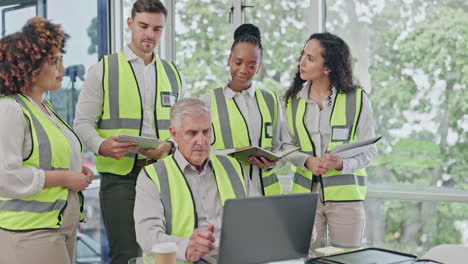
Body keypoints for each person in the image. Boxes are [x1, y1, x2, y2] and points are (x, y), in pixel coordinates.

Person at [73, 0, 183, 263]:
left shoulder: (172, 73)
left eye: (157, 29)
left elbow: (179, 128)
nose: (150, 34)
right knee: (126, 254)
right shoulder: (103, 69)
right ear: (130, 23)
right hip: (121, 177)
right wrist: (101, 146)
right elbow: (82, 123)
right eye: (143, 26)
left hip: (162, 175)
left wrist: (168, 146)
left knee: (164, 252)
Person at [0, 17, 94, 264]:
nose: (61, 68)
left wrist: (77, 172)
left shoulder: (46, 107)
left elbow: (49, 158)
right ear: (29, 67)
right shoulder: (10, 109)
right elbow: (5, 176)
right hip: (31, 232)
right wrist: (65, 178)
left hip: (60, 225)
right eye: (54, 62)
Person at [282, 33, 377, 251]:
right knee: (304, 257)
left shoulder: (358, 99)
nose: (301, 62)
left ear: (328, 68)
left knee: (346, 258)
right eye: (303, 55)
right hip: (304, 199)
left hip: (346, 199)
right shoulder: (292, 101)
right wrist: (307, 161)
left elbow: (370, 151)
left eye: (310, 58)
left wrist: (340, 164)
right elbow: (286, 146)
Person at [134, 98, 259, 263]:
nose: (201, 141)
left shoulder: (233, 166)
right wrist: (185, 247)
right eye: (192, 133)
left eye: (206, 132)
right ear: (174, 134)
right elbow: (147, 236)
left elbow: (259, 216)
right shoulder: (152, 176)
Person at [200, 24, 283, 196]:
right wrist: (231, 153)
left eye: (252, 65)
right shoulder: (207, 102)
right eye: (238, 62)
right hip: (226, 195)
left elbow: (280, 147)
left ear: (259, 67)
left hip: (268, 197)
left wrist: (273, 162)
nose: (243, 70)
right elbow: (197, 151)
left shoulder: (270, 101)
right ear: (229, 59)